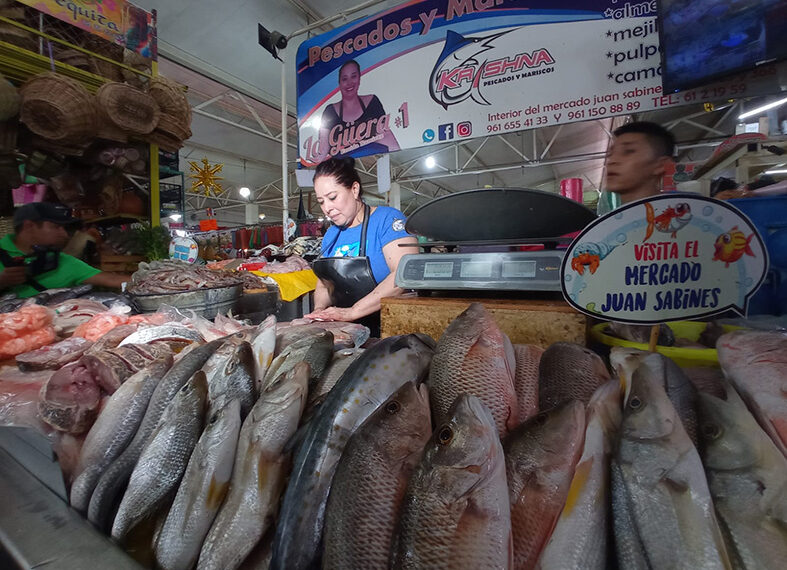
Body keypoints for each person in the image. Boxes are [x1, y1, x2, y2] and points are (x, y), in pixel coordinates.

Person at [306, 157, 416, 335]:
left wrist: (352, 312)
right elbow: (324, 284)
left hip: (389, 329)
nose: (327, 208)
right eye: (321, 201)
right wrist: (319, 311)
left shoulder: (386, 220)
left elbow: (404, 274)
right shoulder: (331, 235)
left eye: (332, 197)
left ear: (354, 189)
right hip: (347, 331)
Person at [0, 202, 130, 297]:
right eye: (55, 227)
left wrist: (148, 279)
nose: (64, 235)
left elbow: (112, 280)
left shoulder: (62, 261)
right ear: (29, 226)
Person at [316, 59, 400, 162]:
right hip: (341, 169)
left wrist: (397, 154)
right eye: (344, 79)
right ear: (339, 83)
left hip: (371, 164)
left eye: (354, 76)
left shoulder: (372, 102)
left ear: (359, 78)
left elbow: (386, 135)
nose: (349, 83)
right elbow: (323, 147)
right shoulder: (330, 111)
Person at [604, 121, 676, 204]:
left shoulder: (680, 214)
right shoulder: (614, 216)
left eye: (628, 151)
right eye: (610, 154)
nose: (612, 161)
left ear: (661, 165)